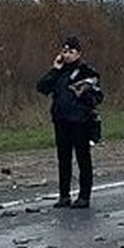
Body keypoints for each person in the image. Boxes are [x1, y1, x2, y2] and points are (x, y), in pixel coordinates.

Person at [36, 35, 103, 209]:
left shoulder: (86, 71)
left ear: (79, 53)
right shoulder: (60, 72)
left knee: (83, 159)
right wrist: (55, 69)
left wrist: (85, 93)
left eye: (71, 52)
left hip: (80, 121)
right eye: (64, 51)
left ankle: (84, 196)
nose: (67, 55)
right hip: (61, 120)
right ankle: (64, 195)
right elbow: (42, 87)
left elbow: (97, 95)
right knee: (63, 159)